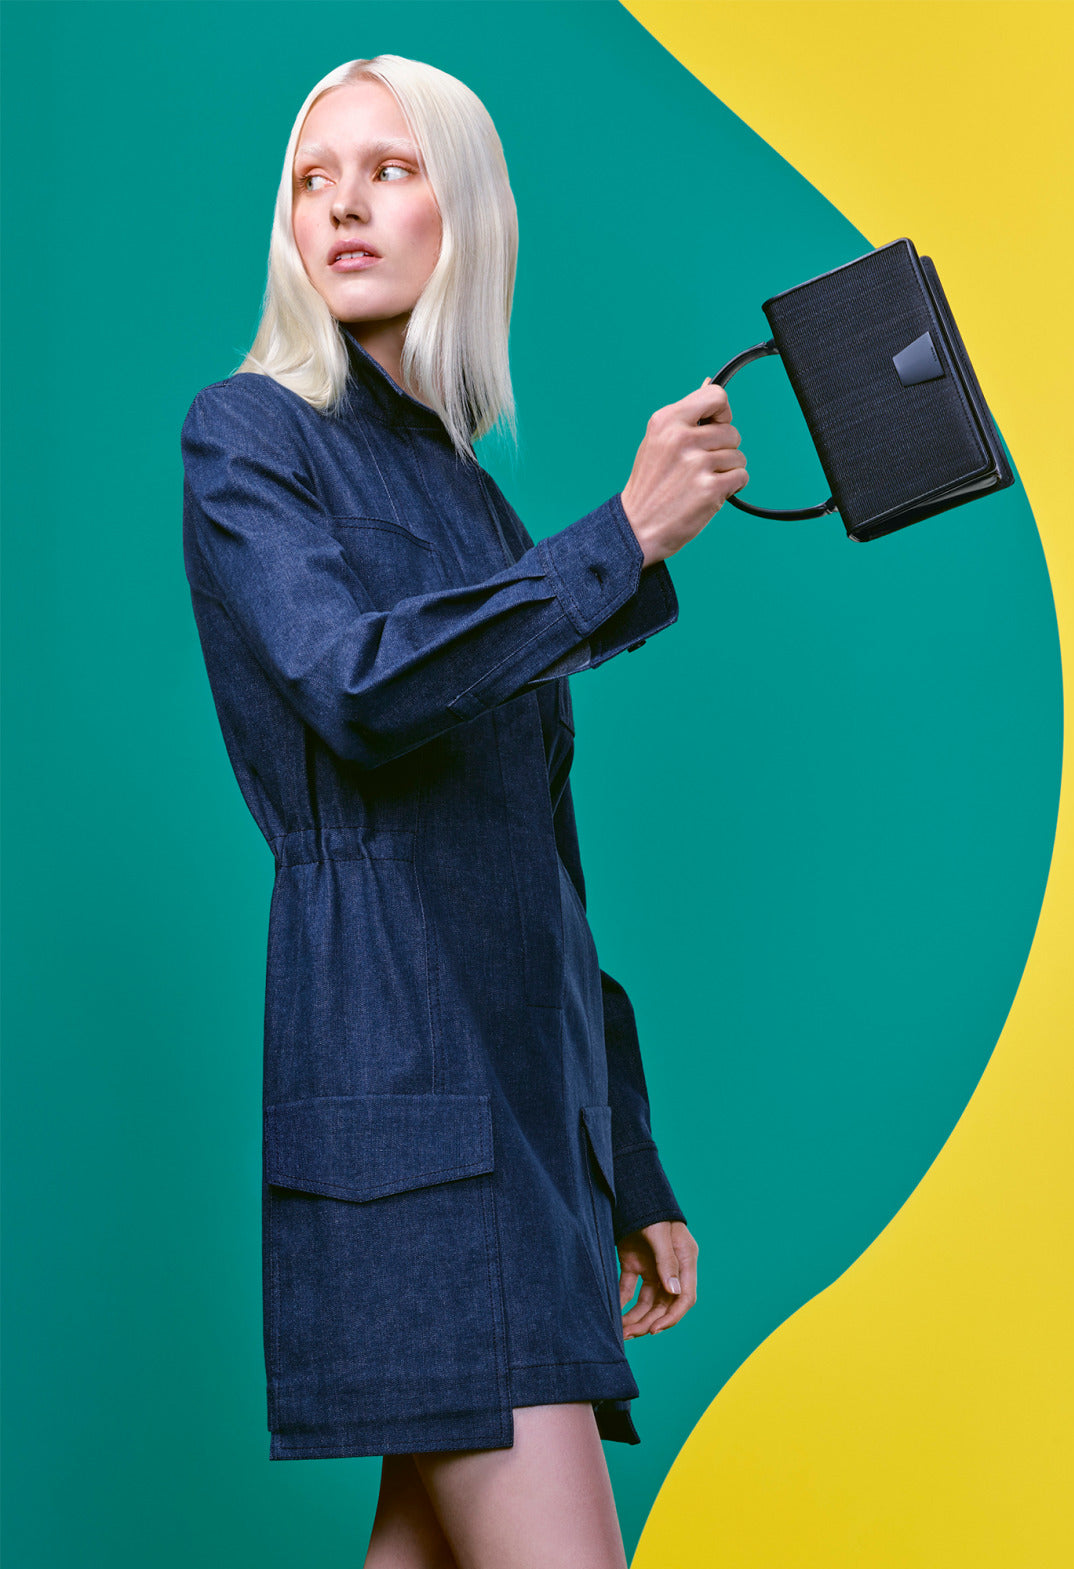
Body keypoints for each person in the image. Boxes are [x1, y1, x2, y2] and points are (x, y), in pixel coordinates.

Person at [180, 53, 746, 1569]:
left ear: (466, 212)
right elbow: (355, 687)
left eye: (390, 168)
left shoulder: (469, 495)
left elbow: (533, 857)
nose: (344, 205)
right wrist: (620, 539)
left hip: (522, 1115)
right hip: (400, 1090)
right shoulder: (248, 432)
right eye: (313, 179)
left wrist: (621, 1153)